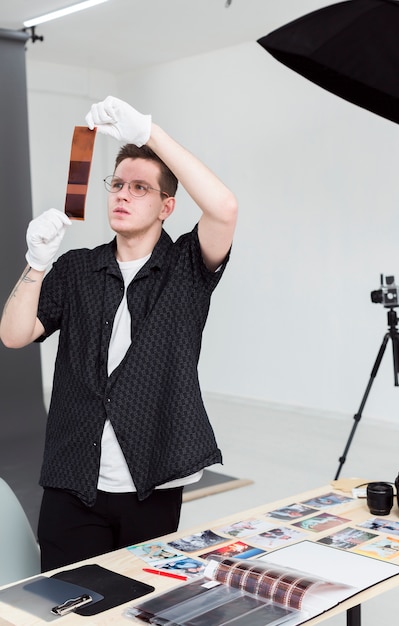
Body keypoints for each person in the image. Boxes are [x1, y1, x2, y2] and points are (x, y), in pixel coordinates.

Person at [0, 95, 238, 571]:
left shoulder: (186, 267)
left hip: (150, 485)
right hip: (72, 481)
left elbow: (225, 208)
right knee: (70, 605)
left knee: (138, 605)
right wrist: (35, 264)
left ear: (167, 206)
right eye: (117, 184)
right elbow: (13, 334)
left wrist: (148, 132)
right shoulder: (76, 268)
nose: (122, 195)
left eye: (140, 188)